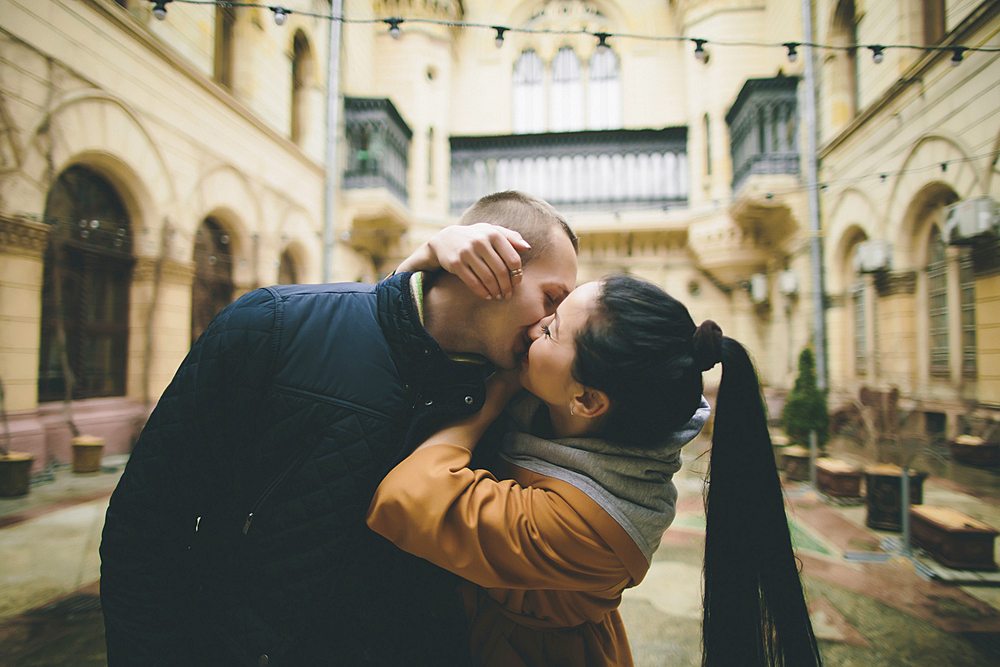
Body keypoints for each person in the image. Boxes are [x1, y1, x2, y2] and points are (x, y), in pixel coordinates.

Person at [99, 191, 579, 666]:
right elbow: (146, 528)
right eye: (551, 299)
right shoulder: (272, 326)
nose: (547, 327)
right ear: (490, 263)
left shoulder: (517, 406)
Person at [368, 275, 823, 667]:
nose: (534, 328)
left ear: (587, 401)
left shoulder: (590, 524)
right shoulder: (603, 417)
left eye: (552, 331)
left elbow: (405, 496)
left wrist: (497, 389)